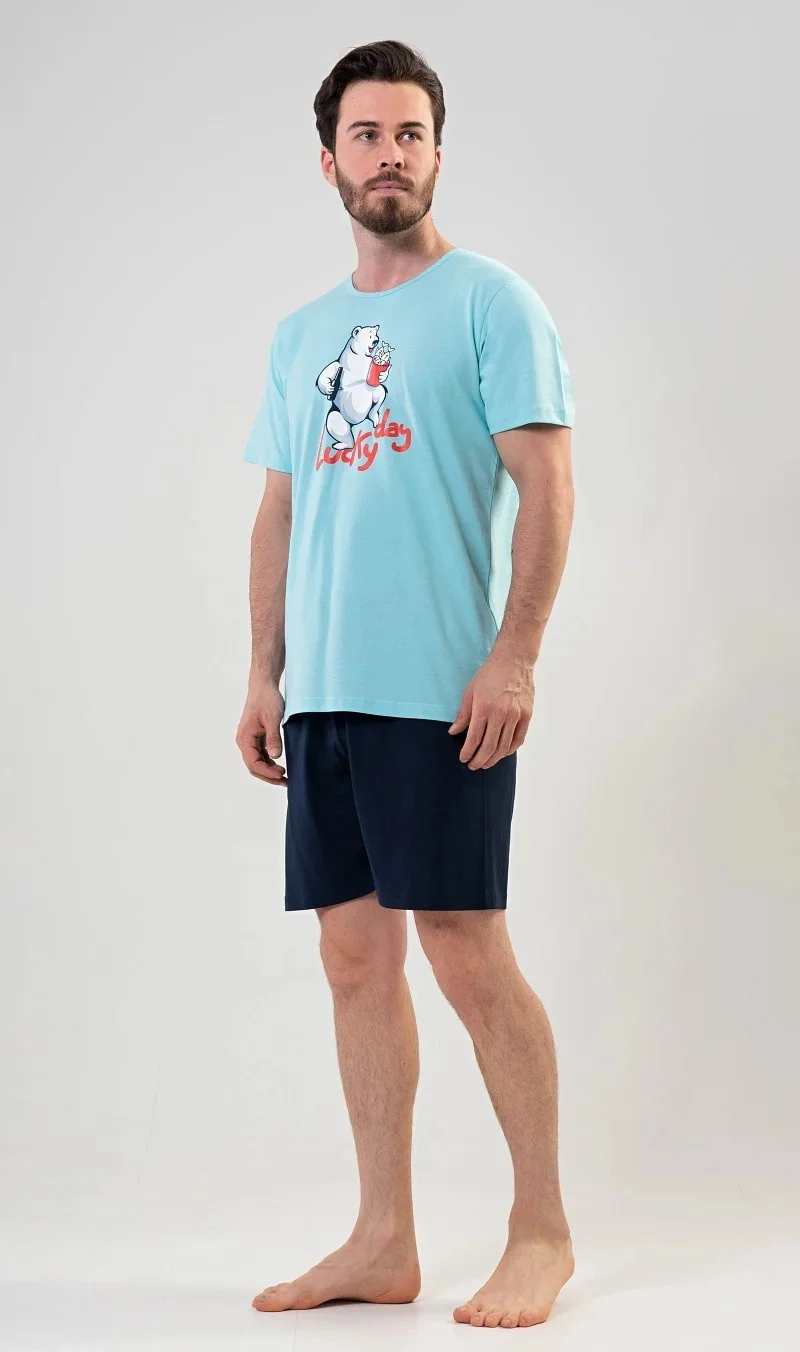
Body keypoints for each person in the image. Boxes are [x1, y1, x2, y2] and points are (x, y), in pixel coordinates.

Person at [236, 38, 577, 1331]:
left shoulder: (493, 303)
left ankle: (542, 1231)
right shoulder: (300, 335)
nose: (391, 155)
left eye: (412, 133)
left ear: (438, 152)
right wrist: (263, 671)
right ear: (328, 160)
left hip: (440, 693)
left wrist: (515, 653)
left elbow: (547, 484)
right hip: (324, 695)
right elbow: (280, 511)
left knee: (467, 955)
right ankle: (383, 1237)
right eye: (368, 135)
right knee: (350, 959)